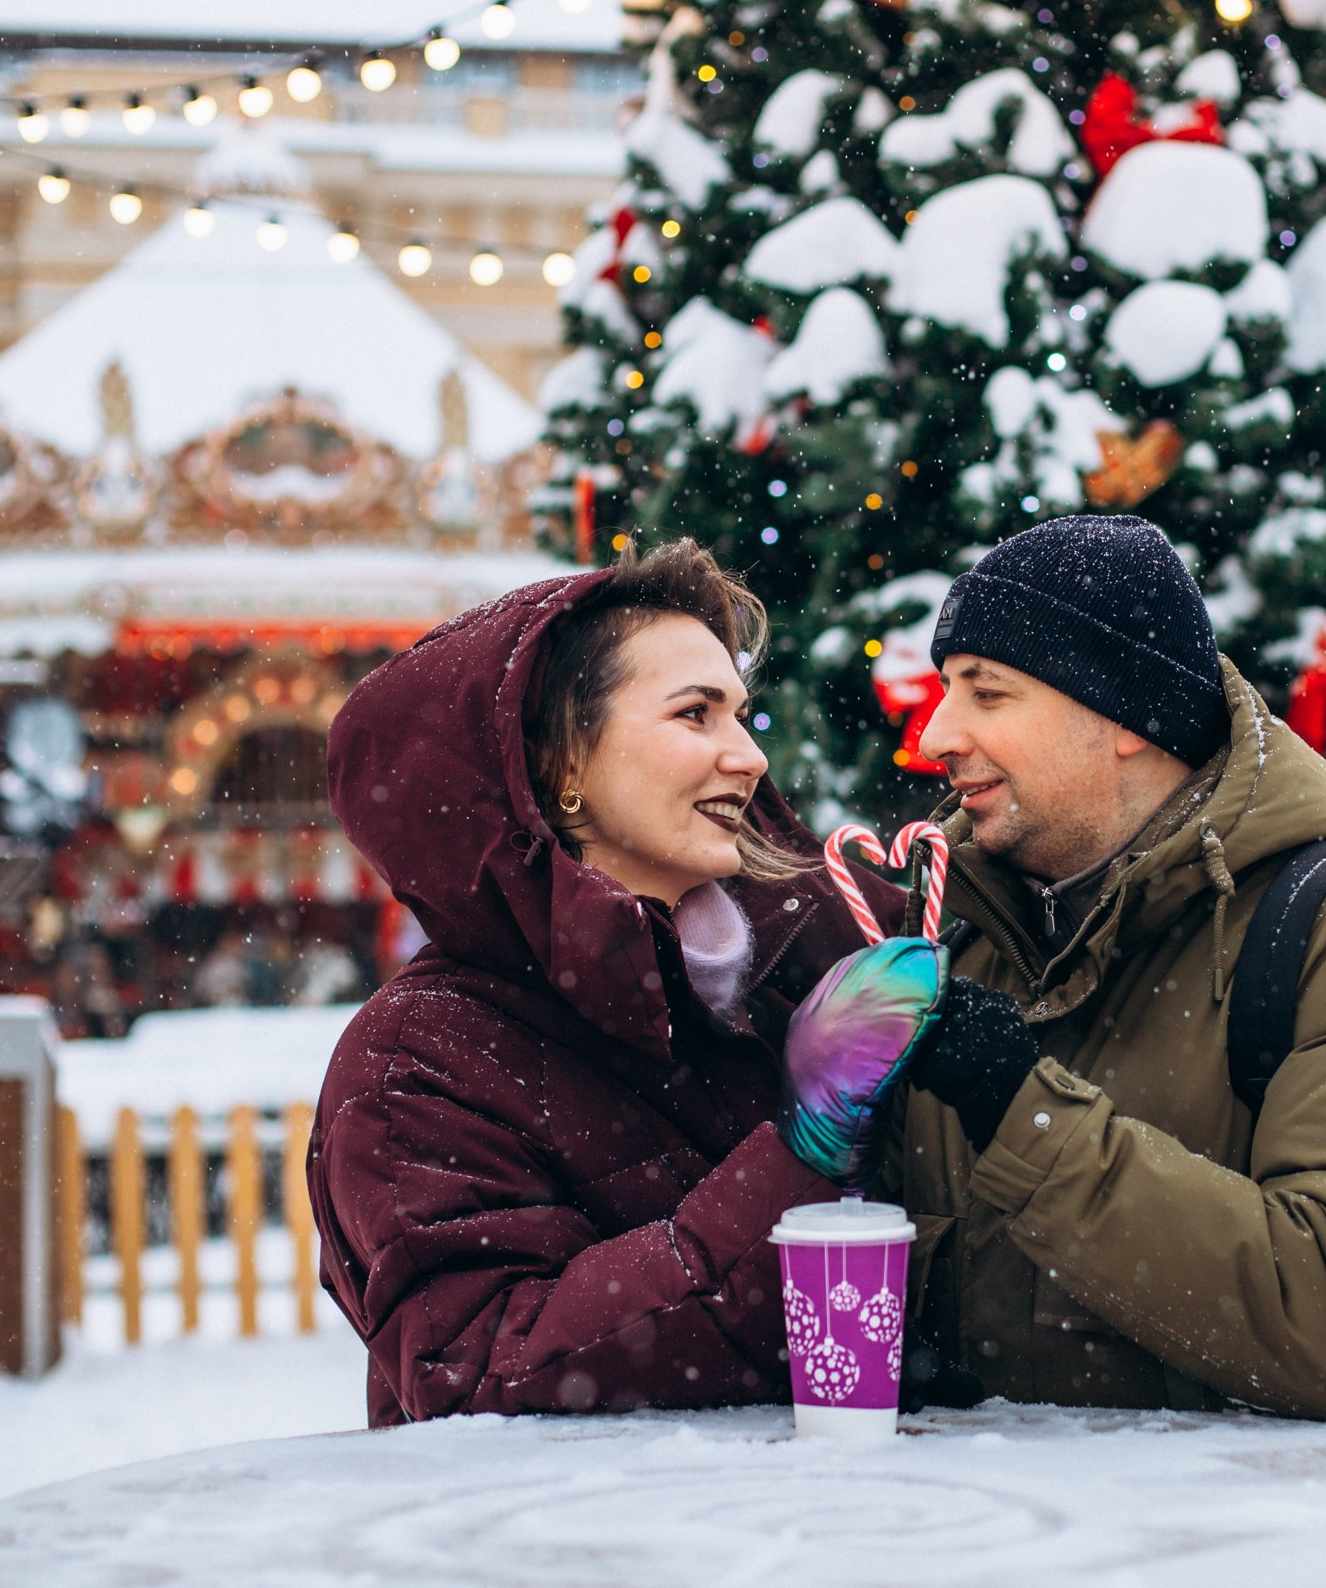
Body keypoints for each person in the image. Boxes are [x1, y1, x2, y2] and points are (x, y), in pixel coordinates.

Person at [884, 514, 1326, 1427]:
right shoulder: (954, 938)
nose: (937, 735)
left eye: (988, 694)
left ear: (1123, 715)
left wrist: (1026, 1119)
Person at [308, 541, 907, 1426]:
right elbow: (482, 1377)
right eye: (695, 715)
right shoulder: (418, 1067)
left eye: (743, 717)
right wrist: (799, 1156)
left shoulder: (830, 944)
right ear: (558, 767)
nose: (748, 758)